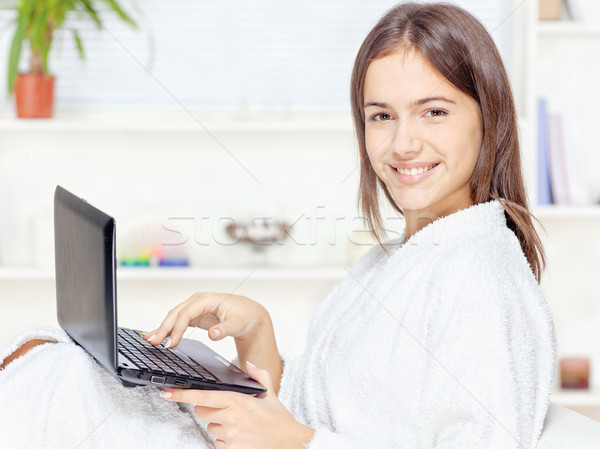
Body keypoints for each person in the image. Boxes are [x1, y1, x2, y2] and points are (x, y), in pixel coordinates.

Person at [0, 2, 556, 448]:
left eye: (434, 111)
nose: (403, 142)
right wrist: (257, 334)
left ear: (490, 117)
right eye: (381, 115)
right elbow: (322, 406)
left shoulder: (482, 278)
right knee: (54, 361)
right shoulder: (399, 256)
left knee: (51, 384)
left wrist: (295, 443)